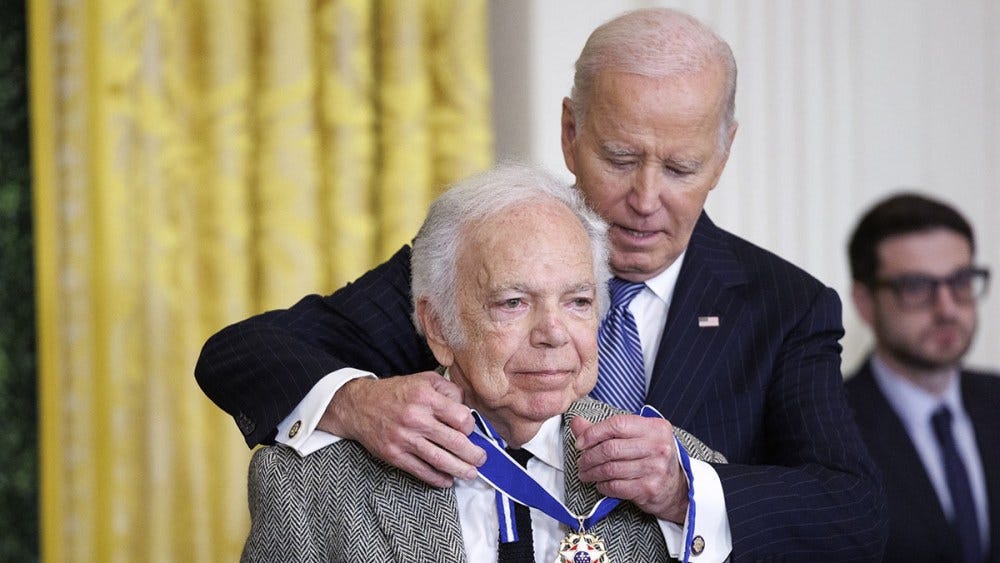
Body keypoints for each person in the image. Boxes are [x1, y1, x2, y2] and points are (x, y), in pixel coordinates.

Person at [197, 8, 887, 560]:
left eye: (680, 168)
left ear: (723, 152)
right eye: (620, 158)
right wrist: (356, 401)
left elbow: (854, 514)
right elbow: (244, 353)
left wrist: (686, 489)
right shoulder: (483, 248)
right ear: (569, 132)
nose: (645, 198)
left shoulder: (785, 305)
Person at [241, 164, 727, 562]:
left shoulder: (681, 476)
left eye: (578, 301)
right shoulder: (307, 487)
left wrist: (683, 503)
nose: (553, 333)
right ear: (438, 327)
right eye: (513, 302)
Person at [844, 192, 999, 563]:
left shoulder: (996, 399)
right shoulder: (831, 428)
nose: (947, 308)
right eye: (916, 287)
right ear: (865, 303)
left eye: (960, 281)